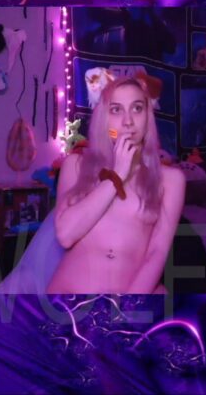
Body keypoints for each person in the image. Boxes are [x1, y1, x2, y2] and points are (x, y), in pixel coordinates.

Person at [45, 75, 186, 294]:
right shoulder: (75, 165)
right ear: (104, 120)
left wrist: (128, 307)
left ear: (147, 117)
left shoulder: (170, 179)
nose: (128, 121)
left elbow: (157, 253)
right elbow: (65, 235)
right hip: (69, 301)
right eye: (116, 110)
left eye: (137, 109)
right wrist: (117, 175)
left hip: (132, 303)